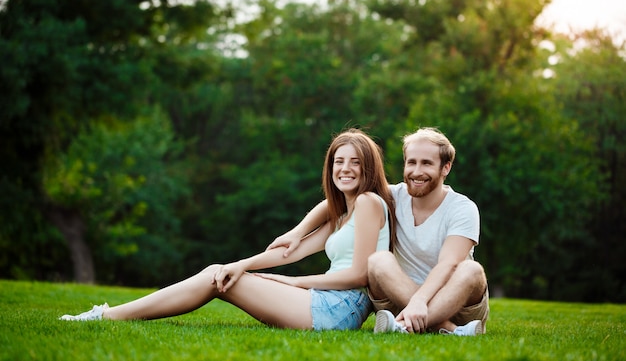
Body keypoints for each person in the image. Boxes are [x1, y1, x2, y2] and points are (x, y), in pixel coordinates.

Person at [60, 128, 394, 331]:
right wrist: (244, 264)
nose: (345, 169)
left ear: (368, 168)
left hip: (339, 310)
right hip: (326, 303)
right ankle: (108, 315)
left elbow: (358, 276)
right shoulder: (342, 214)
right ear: (330, 166)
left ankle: (105, 316)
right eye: (339, 161)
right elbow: (290, 251)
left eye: (355, 162)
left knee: (215, 279)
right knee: (221, 273)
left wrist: (290, 281)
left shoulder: (368, 203)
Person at [267, 127, 489, 336]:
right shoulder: (392, 196)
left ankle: (412, 325)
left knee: (471, 270)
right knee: (378, 260)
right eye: (411, 162)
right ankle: (444, 328)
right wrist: (298, 232)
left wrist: (419, 301)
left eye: (427, 164)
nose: (417, 171)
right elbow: (338, 201)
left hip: (454, 303)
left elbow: (448, 264)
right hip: (399, 296)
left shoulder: (462, 208)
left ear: (446, 167)